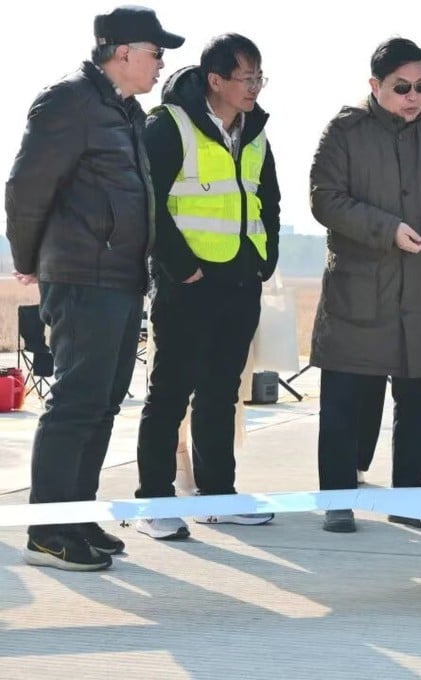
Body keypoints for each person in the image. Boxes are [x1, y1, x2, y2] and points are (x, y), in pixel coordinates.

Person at [5, 6, 184, 570]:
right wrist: (31, 259)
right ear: (124, 51)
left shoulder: (124, 110)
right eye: (157, 53)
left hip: (122, 277)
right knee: (76, 403)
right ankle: (47, 531)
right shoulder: (70, 101)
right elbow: (27, 185)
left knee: (103, 404)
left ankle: (76, 517)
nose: (162, 64)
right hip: (83, 276)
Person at [310, 37, 421, 533]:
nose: (415, 96)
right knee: (344, 400)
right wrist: (385, 229)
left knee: (419, 402)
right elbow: (324, 199)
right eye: (403, 87)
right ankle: (338, 498)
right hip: (360, 291)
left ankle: (409, 497)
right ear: (375, 85)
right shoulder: (345, 132)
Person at [133, 34, 280, 540]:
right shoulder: (169, 126)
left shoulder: (256, 132)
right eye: (246, 77)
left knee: (222, 394)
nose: (254, 87)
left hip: (240, 281)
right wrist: (180, 265)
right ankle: (153, 501)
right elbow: (148, 201)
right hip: (187, 283)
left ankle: (217, 495)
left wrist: (266, 258)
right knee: (170, 393)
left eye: (260, 77)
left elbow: (269, 201)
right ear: (214, 80)